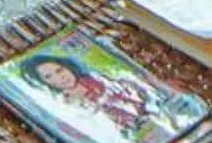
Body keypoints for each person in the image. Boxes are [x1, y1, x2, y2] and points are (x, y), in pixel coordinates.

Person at [25, 51, 155, 132]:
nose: (61, 78)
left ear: (67, 67)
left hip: (145, 114)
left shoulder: (95, 79)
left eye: (59, 70)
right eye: (49, 77)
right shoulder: (65, 105)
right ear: (44, 83)